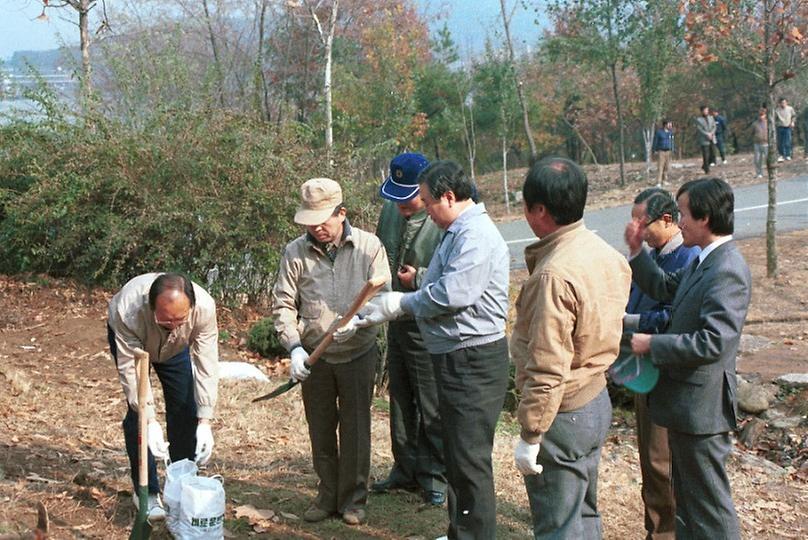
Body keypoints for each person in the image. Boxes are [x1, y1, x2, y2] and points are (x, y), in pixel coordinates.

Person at [357, 160, 510, 540]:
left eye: (427, 200)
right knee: (459, 457)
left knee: (470, 461)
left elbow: (452, 293)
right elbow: (439, 280)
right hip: (456, 355)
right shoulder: (456, 230)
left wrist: (401, 304)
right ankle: (461, 531)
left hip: (472, 359)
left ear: (449, 196)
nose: (423, 208)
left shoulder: (474, 235)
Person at [510, 157, 631, 539]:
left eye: (526, 207)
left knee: (558, 525)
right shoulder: (602, 251)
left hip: (563, 411)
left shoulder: (553, 275)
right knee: (585, 514)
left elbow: (547, 365)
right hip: (596, 399)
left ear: (540, 210)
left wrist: (531, 434)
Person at [625, 177, 751, 540]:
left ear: (705, 218)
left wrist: (653, 345)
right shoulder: (704, 261)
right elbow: (664, 286)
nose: (678, 222)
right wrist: (636, 252)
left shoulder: (727, 268)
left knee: (709, 507)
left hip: (702, 409)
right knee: (688, 502)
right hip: (685, 405)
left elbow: (714, 342)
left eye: (682, 214)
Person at [271, 177, 391, 526]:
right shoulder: (295, 253)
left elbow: (383, 294)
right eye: (310, 221)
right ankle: (327, 495)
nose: (317, 227)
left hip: (358, 352)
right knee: (321, 427)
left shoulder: (369, 246)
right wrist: (293, 347)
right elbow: (283, 304)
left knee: (355, 427)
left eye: (324, 219)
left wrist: (364, 319)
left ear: (342, 213)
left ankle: (353, 499)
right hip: (315, 356)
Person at [107, 272, 220, 520]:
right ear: (151, 307)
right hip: (136, 342)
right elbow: (132, 372)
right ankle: (146, 492)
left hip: (175, 348)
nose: (173, 323)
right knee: (138, 416)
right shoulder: (128, 311)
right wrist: (149, 419)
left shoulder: (204, 309)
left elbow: (206, 364)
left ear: (191, 307)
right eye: (166, 319)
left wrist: (205, 420)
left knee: (185, 408)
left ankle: (182, 482)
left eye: (180, 318)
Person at [623, 188, 700, 540]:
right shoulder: (652, 255)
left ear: (667, 220)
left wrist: (629, 322)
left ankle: (666, 532)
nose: (636, 228)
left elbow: (671, 318)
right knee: (650, 464)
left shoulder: (688, 258)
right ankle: (656, 529)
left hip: (667, 374)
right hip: (646, 371)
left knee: (661, 463)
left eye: (643, 221)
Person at [371, 152, 447, 506]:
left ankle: (434, 476)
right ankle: (404, 468)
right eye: (395, 197)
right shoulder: (390, 210)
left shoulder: (442, 217)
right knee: (400, 397)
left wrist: (416, 278)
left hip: (428, 323)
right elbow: (376, 252)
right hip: (394, 318)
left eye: (409, 198)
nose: (401, 205)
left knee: (430, 402)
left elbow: (453, 274)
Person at [651, 119, 674, 186]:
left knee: (666, 167)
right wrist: (654, 150)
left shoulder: (670, 133)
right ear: (665, 124)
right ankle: (658, 181)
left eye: (671, 124)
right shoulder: (659, 132)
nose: (670, 125)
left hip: (668, 151)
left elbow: (672, 141)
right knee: (660, 166)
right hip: (661, 151)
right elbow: (655, 141)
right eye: (669, 124)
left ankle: (664, 180)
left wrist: (672, 149)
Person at [695, 105, 717, 174]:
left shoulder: (711, 117)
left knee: (713, 153)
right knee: (705, 154)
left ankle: (705, 165)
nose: (706, 111)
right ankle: (707, 169)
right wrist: (707, 134)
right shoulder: (698, 120)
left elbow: (714, 126)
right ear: (702, 111)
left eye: (707, 110)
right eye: (705, 110)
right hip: (704, 139)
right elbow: (700, 129)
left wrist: (712, 133)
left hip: (712, 137)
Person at [775, 97, 796, 161]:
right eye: (781, 103)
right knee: (780, 142)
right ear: (779, 103)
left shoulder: (790, 109)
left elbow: (794, 116)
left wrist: (792, 122)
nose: (783, 104)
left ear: (786, 102)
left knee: (787, 141)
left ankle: (788, 155)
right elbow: (774, 118)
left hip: (788, 127)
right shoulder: (777, 110)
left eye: (784, 102)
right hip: (780, 127)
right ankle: (781, 155)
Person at [752, 108, 768, 178]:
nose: (761, 117)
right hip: (757, 144)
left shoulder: (768, 123)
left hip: (766, 143)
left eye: (762, 115)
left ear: (765, 115)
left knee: (768, 159)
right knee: (757, 159)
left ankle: (770, 172)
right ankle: (759, 173)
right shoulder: (755, 124)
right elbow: (752, 133)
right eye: (760, 115)